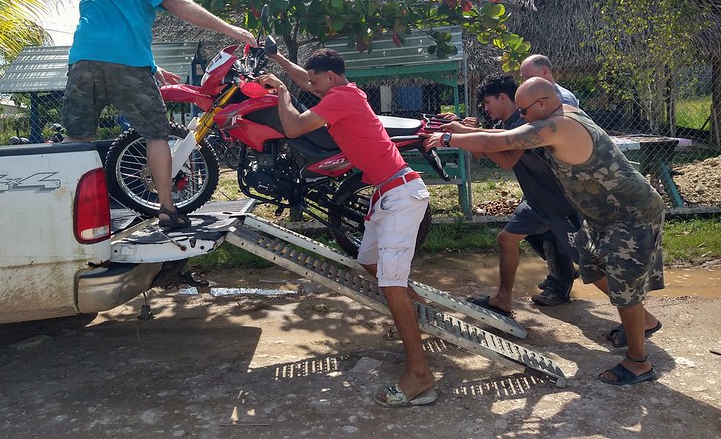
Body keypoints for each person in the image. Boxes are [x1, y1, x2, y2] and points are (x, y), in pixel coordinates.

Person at [425, 77, 665, 386]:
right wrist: (462, 129)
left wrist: (447, 140)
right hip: (603, 215)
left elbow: (498, 144)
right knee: (596, 269)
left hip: (631, 213)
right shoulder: (555, 115)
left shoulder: (558, 125)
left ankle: (639, 363)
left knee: (623, 286)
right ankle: (645, 323)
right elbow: (502, 136)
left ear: (542, 103)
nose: (520, 116)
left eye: (523, 111)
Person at [258, 48, 436, 407]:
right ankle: (425, 319)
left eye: (315, 79)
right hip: (385, 194)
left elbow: (292, 126)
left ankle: (420, 376)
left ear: (332, 76)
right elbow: (302, 77)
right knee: (368, 262)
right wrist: (278, 60)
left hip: (402, 195)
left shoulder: (339, 98)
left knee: (391, 284)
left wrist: (279, 92)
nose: (310, 84)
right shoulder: (342, 92)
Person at [61, 0, 255, 229]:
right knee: (156, 135)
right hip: (128, 66)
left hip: (82, 62)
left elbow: (112, 33)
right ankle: (166, 208)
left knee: (76, 138)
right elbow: (180, 6)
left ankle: (65, 212)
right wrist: (231, 30)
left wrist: (154, 68)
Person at [441, 73, 579, 314]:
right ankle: (503, 299)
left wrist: (465, 134)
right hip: (536, 200)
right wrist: (471, 132)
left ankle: (634, 313)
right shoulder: (503, 124)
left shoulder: (523, 122)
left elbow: (506, 160)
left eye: (487, 102)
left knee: (592, 265)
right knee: (507, 239)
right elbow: (482, 151)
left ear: (503, 97)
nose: (485, 108)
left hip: (559, 200)